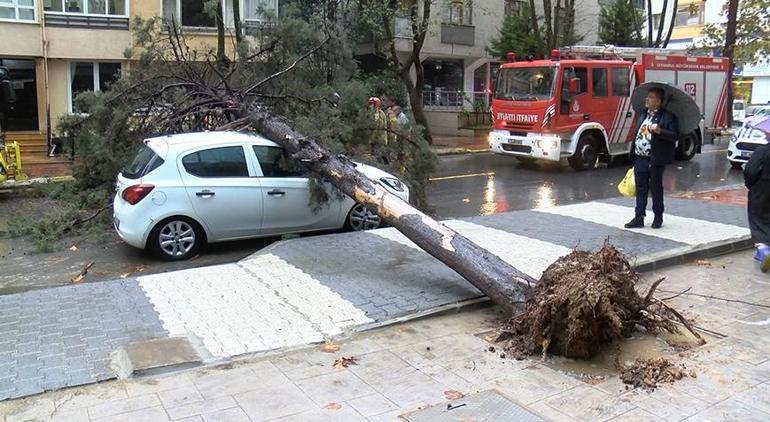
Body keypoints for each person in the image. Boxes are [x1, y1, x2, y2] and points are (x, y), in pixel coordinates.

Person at [625, 87, 679, 229]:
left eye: (651, 97)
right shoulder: (643, 114)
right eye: (647, 97)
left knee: (655, 188)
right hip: (640, 158)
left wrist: (660, 130)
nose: (647, 99)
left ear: (659, 101)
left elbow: (675, 135)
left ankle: (658, 216)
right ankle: (639, 216)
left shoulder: (667, 117)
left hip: (655, 159)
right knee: (641, 188)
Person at [744, 140, 770, 272]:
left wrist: (751, 185)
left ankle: (764, 251)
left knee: (758, 221)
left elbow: (750, 171)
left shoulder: (762, 151)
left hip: (762, 191)